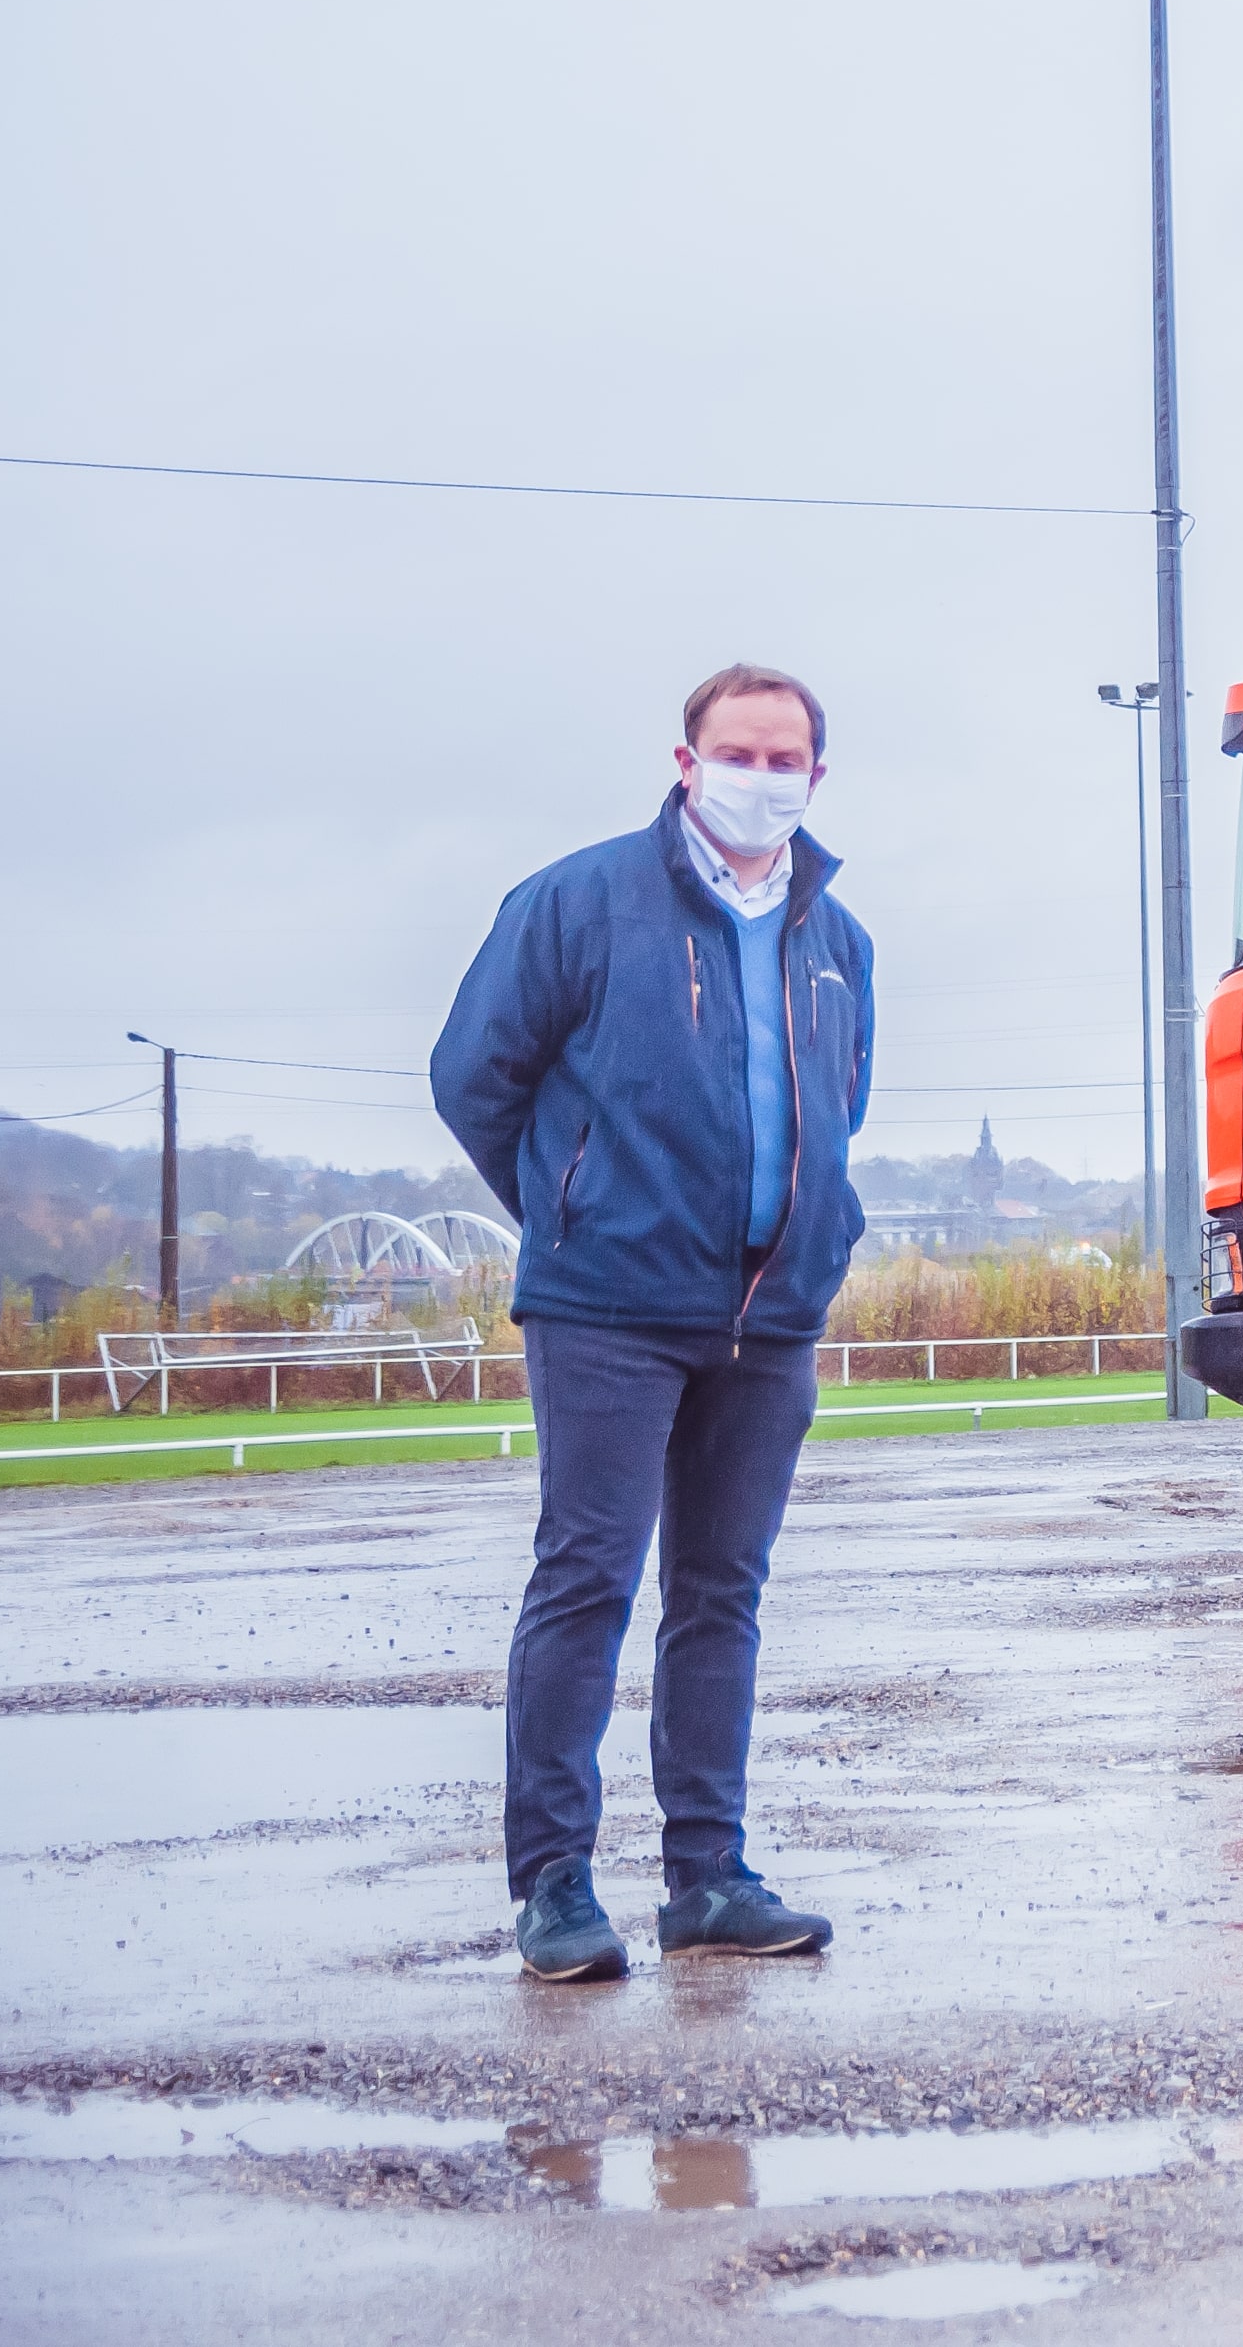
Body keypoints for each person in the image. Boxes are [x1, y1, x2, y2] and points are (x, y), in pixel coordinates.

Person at [432, 663, 875, 1979]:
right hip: (608, 1309)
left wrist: (815, 1239)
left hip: (769, 1317)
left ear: (816, 775)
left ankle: (709, 1876)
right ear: (684, 761)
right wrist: (576, 1210)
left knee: (720, 1595)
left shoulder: (834, 935)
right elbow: (475, 1080)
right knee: (586, 1582)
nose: (760, 773)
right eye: (736, 750)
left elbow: (836, 1107)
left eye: (784, 755)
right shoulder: (579, 902)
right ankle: (555, 1884)